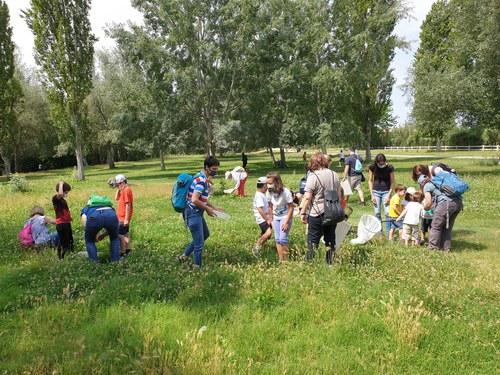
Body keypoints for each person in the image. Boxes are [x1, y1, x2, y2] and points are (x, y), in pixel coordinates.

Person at [177, 156, 225, 268]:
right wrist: (208, 209)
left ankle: (184, 256)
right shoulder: (201, 181)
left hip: (195, 212)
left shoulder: (200, 178)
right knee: (199, 243)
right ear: (206, 167)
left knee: (205, 234)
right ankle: (197, 267)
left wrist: (214, 207)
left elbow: (201, 198)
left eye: (217, 169)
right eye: (213, 169)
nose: (215, 172)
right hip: (192, 213)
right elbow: (194, 199)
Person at [300, 152, 341, 264]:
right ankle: (330, 262)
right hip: (332, 212)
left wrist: (303, 213)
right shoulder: (334, 174)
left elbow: (307, 198)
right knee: (330, 239)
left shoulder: (313, 177)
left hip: (317, 213)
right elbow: (339, 194)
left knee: (312, 240)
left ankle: (309, 262)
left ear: (313, 163)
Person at [422, 166, 463, 251]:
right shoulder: (446, 181)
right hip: (458, 203)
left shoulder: (429, 185)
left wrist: (424, 209)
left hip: (445, 204)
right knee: (447, 227)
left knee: (436, 226)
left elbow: (428, 203)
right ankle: (446, 248)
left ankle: (433, 248)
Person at [80, 198, 120, 263]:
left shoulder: (87, 208)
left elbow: (84, 222)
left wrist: (90, 234)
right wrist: (104, 235)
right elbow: (114, 228)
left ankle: (94, 262)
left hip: (94, 217)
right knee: (114, 238)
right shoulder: (109, 207)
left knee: (89, 241)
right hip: (111, 215)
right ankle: (115, 260)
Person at [266, 171, 294, 262]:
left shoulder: (286, 192)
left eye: (270, 183)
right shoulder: (269, 192)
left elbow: (291, 207)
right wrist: (271, 220)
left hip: (285, 217)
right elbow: (270, 206)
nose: (268, 185)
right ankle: (281, 259)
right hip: (276, 217)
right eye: (267, 183)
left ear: (277, 182)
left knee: (283, 239)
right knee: (277, 239)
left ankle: (286, 260)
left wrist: (286, 222)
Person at [368, 153, 395, 235]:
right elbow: (370, 181)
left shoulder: (390, 167)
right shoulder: (372, 167)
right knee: (377, 213)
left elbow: (393, 181)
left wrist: (389, 195)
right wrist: (372, 194)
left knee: (387, 212)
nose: (381, 164)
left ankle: (388, 233)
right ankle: (379, 232)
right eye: (380, 163)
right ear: (377, 161)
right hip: (376, 192)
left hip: (386, 192)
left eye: (383, 163)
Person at [252, 177, 273, 258]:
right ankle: (256, 247)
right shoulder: (259, 196)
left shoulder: (260, 194)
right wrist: (267, 219)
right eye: (267, 185)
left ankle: (260, 245)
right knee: (268, 233)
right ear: (264, 185)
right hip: (262, 218)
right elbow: (260, 209)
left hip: (264, 217)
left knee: (265, 234)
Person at [52, 181, 73, 259]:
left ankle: (69, 255)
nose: (66, 194)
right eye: (66, 192)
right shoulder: (55, 199)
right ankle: (61, 257)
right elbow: (60, 194)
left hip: (66, 222)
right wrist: (61, 183)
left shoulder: (63, 201)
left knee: (69, 240)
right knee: (63, 242)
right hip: (61, 224)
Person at [115, 174, 133, 257]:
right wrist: (118, 190)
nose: (117, 186)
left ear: (122, 182)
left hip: (123, 217)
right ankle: (128, 250)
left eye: (118, 184)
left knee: (120, 235)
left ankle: (122, 253)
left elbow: (128, 205)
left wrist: (126, 219)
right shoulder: (124, 190)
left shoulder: (126, 191)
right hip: (122, 217)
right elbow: (116, 198)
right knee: (126, 234)